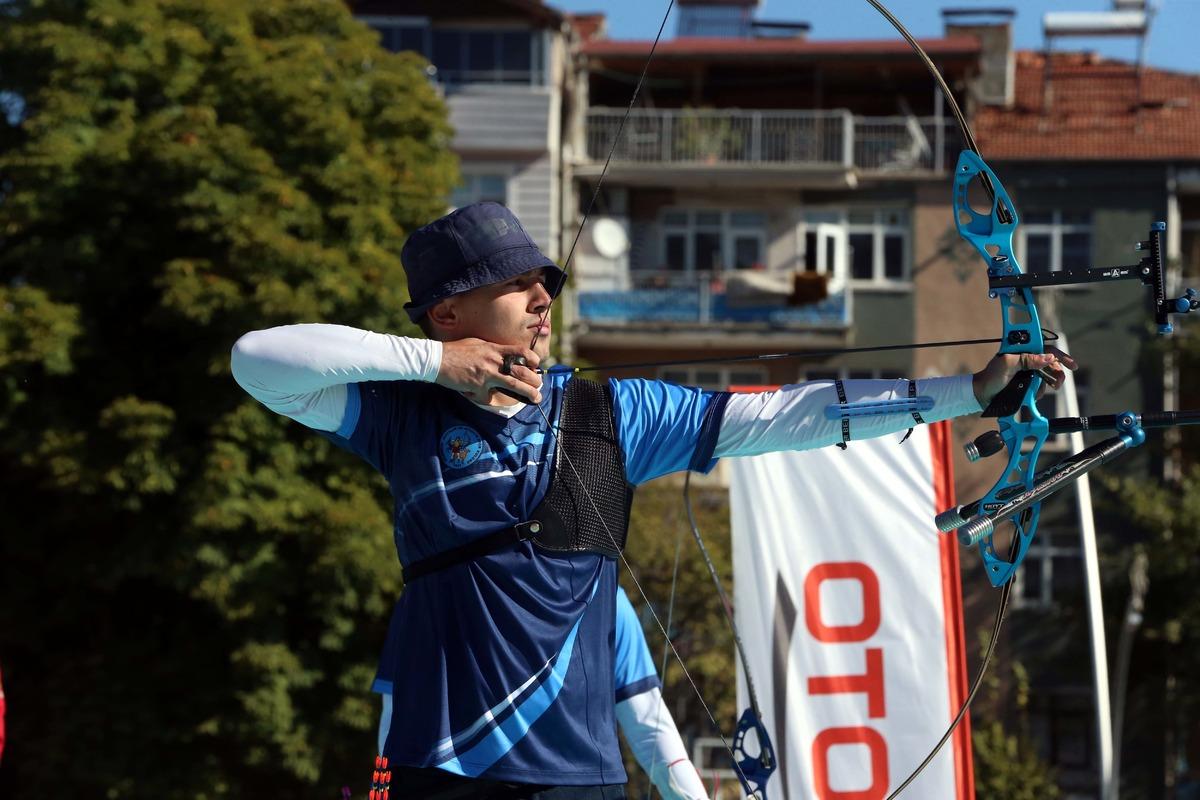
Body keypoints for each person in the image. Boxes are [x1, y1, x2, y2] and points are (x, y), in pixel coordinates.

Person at [231, 201, 1071, 798]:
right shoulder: (398, 416)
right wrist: (432, 365)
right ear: (447, 312)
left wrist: (967, 392)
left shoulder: (613, 412)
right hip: (439, 759)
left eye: (543, 281)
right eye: (514, 282)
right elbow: (257, 359)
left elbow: (790, 414)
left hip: (578, 771)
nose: (541, 298)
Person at [372, 586, 709, 800]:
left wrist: (382, 790)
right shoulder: (607, 596)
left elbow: (396, 718)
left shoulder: (427, 591)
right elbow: (648, 724)